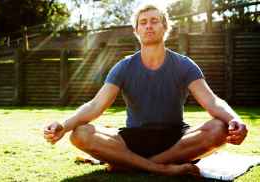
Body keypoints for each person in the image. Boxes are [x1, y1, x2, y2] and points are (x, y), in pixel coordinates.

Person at [44, 3, 248, 176]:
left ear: (165, 27)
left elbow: (212, 101)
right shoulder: (123, 66)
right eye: (143, 22)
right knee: (79, 134)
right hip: (134, 137)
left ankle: (133, 164)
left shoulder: (184, 65)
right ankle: (163, 169)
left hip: (176, 139)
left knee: (219, 129)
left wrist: (234, 119)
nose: (149, 26)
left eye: (154, 21)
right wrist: (64, 125)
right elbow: (96, 105)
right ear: (136, 31)